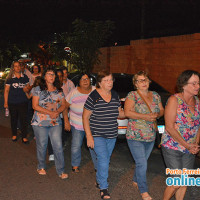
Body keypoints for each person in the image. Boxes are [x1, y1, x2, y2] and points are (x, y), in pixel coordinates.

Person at [83, 70, 125, 200]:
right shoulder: (93, 96)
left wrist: (130, 109)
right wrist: (89, 136)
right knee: (104, 160)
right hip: (97, 134)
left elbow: (120, 114)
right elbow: (85, 117)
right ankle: (104, 188)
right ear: (99, 83)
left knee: (102, 159)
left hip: (112, 134)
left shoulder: (115, 95)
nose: (110, 82)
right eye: (106, 80)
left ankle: (99, 179)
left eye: (111, 80)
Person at [124, 71, 164, 200]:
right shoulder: (132, 95)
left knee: (143, 162)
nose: (143, 82)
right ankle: (144, 191)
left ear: (149, 81)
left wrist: (157, 115)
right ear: (135, 83)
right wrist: (146, 116)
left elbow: (162, 110)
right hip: (135, 134)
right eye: (140, 80)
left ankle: (136, 178)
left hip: (151, 135)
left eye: (145, 80)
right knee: (142, 163)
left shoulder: (156, 95)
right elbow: (127, 113)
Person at [161, 70, 200, 200]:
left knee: (185, 181)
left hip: (189, 149)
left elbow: (198, 125)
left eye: (198, 83)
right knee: (176, 181)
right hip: (173, 146)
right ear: (183, 85)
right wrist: (187, 145)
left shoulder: (198, 102)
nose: (198, 86)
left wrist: (195, 144)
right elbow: (170, 127)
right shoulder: (174, 100)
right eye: (194, 83)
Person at [31, 66, 68, 179]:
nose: (52, 76)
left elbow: (63, 105)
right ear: (44, 76)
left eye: (53, 74)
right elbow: (35, 106)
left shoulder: (59, 90)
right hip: (40, 122)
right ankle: (41, 166)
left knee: (58, 145)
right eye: (49, 74)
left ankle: (61, 170)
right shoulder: (38, 89)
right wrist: (49, 112)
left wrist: (57, 111)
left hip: (55, 122)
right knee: (42, 145)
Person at [64, 73, 95, 173]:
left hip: (92, 124)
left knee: (95, 146)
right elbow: (64, 107)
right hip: (77, 124)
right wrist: (66, 121)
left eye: (87, 78)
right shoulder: (73, 92)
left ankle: (98, 166)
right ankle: (75, 165)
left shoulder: (96, 91)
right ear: (79, 82)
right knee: (76, 145)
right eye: (83, 79)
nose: (85, 81)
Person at [4, 61, 30, 143]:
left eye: (19, 66)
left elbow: (28, 88)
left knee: (23, 120)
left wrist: (27, 89)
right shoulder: (10, 78)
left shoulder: (25, 77)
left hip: (23, 102)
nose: (18, 67)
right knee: (14, 119)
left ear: (21, 67)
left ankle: (24, 136)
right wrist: (5, 102)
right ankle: (14, 134)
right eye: (15, 66)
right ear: (13, 68)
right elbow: (6, 91)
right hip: (12, 102)